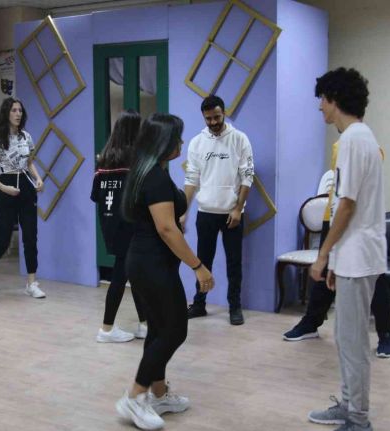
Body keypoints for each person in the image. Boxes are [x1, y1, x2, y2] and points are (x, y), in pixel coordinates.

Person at [115, 113, 214, 430]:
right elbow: (167, 229)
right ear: (163, 142)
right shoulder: (154, 178)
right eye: (177, 138)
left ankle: (158, 394)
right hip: (151, 264)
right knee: (174, 330)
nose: (181, 143)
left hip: (147, 262)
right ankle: (134, 396)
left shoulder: (149, 171)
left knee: (159, 329)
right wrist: (198, 266)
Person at [307, 68, 386, 431]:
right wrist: (337, 260)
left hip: (359, 255)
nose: (320, 107)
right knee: (345, 338)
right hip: (354, 255)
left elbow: (347, 205)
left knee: (353, 343)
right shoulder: (360, 137)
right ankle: (348, 404)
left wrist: (324, 255)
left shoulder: (354, 140)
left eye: (322, 100)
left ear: (335, 99)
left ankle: (358, 419)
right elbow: (349, 203)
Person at [282, 140, 390, 359]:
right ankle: (310, 323)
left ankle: (386, 335)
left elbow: (374, 166)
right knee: (324, 273)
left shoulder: (366, 143)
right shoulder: (337, 146)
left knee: (375, 278)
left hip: (361, 222)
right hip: (333, 217)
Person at [183, 94, 254, 325]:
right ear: (203, 117)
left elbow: (247, 176)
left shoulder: (240, 139)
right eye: (208, 119)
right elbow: (191, 179)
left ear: (224, 113)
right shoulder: (197, 142)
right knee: (202, 261)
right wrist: (184, 212)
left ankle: (235, 306)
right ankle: (199, 304)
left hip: (232, 213)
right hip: (206, 212)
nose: (213, 122)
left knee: (234, 263)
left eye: (217, 117)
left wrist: (238, 209)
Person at [0, 97, 45, 298]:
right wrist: (3, 188)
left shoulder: (26, 136)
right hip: (6, 184)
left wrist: (38, 178)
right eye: (14, 110)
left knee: (30, 236)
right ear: (6, 113)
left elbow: (29, 162)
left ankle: (31, 282)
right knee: (3, 238)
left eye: (20, 111)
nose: (18, 114)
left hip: (25, 185)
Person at [91, 110, 147, 343]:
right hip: (130, 225)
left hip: (109, 224)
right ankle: (106, 329)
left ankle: (144, 324)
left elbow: (95, 196)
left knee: (134, 273)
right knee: (121, 276)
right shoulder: (135, 160)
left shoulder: (103, 160)